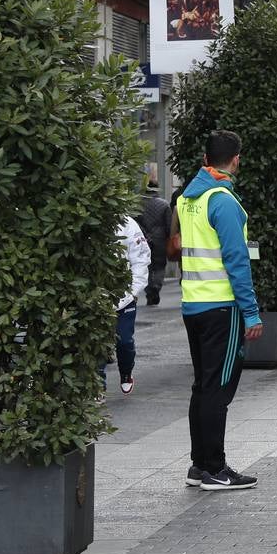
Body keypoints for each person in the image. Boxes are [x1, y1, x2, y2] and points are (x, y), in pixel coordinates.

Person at [176, 130, 264, 491]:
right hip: (221, 306)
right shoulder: (223, 200)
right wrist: (252, 312)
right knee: (219, 389)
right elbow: (236, 260)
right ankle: (215, 468)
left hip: (193, 304)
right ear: (236, 160)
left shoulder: (189, 197)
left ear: (205, 158)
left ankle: (200, 466)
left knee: (203, 386)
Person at [108, 215, 150, 395]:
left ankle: (126, 372)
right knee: (98, 344)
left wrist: (132, 291)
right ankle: (98, 387)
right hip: (95, 296)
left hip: (123, 295)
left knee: (124, 341)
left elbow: (141, 258)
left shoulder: (127, 223)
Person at [136, 166, 172, 306]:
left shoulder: (138, 204)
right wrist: (169, 237)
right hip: (160, 240)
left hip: (143, 239)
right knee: (159, 266)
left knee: (147, 266)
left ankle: (149, 290)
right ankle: (156, 288)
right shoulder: (163, 204)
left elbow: (136, 222)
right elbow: (169, 225)